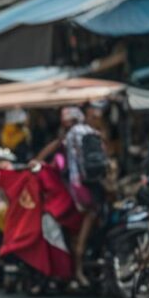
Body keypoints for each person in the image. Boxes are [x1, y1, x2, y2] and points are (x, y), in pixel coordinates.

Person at [35, 106, 107, 288]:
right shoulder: (92, 133)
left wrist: (36, 160)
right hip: (93, 186)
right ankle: (78, 266)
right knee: (89, 217)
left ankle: (78, 265)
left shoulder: (71, 135)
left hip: (77, 188)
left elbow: (55, 146)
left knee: (86, 220)